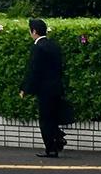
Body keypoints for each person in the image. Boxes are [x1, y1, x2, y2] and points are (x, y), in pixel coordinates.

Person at [21, 16, 71, 159]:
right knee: (53, 117)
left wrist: (25, 88)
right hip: (56, 88)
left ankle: (51, 148)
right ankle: (58, 139)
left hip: (44, 90)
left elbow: (34, 70)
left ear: (34, 31)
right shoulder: (54, 45)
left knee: (45, 119)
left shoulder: (38, 47)